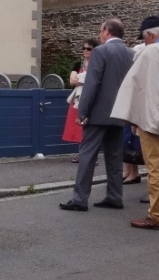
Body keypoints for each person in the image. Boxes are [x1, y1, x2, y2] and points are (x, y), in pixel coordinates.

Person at [111, 16, 159, 231]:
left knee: (155, 164)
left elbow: (136, 85)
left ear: (150, 34)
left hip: (153, 113)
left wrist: (131, 116)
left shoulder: (152, 51)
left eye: (145, 38)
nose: (145, 42)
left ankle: (156, 215)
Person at [58, 19, 136, 212]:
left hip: (99, 113)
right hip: (120, 112)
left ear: (107, 31)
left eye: (101, 30)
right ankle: (114, 196)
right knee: (114, 156)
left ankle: (80, 199)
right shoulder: (131, 53)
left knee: (87, 155)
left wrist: (82, 111)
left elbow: (92, 83)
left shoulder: (101, 51)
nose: (100, 34)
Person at [62, 37, 99, 161]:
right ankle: (81, 154)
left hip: (92, 98)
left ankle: (91, 156)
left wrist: (81, 79)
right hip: (79, 98)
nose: (86, 51)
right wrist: (85, 79)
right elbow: (72, 81)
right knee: (78, 126)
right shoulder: (78, 64)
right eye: (84, 48)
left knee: (90, 127)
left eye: (89, 48)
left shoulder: (97, 64)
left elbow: (95, 81)